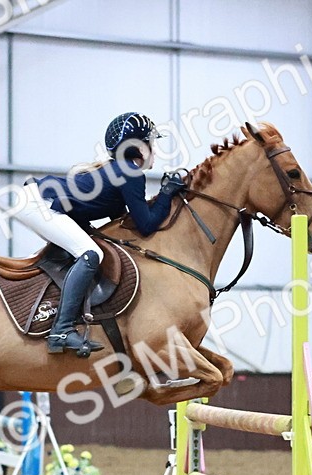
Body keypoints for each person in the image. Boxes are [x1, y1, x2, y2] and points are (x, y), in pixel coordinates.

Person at [13, 112, 186, 356]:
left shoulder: (121, 171)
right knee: (90, 254)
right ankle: (60, 330)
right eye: (152, 143)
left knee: (88, 248)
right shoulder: (130, 172)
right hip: (40, 203)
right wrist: (168, 193)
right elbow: (146, 225)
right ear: (138, 147)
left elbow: (122, 221)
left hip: (38, 199)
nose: (154, 150)